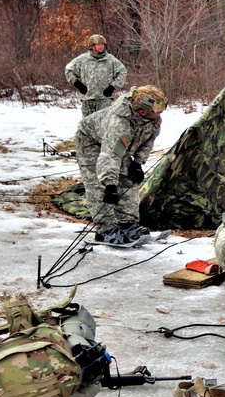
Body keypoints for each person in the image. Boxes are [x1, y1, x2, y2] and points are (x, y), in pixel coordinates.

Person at [76, 85, 166, 245]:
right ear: (143, 111)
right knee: (98, 185)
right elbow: (111, 155)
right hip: (91, 142)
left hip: (119, 146)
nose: (159, 115)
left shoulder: (153, 121)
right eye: (156, 112)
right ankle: (106, 230)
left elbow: (147, 142)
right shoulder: (119, 124)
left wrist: (138, 163)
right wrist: (110, 185)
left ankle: (127, 224)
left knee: (128, 179)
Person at [65, 34, 128, 117]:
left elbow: (122, 72)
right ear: (92, 46)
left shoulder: (110, 59)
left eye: (103, 44)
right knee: (86, 126)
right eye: (98, 44)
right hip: (88, 99)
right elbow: (69, 70)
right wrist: (78, 84)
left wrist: (112, 87)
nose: (101, 46)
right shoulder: (82, 59)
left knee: (104, 125)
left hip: (104, 100)